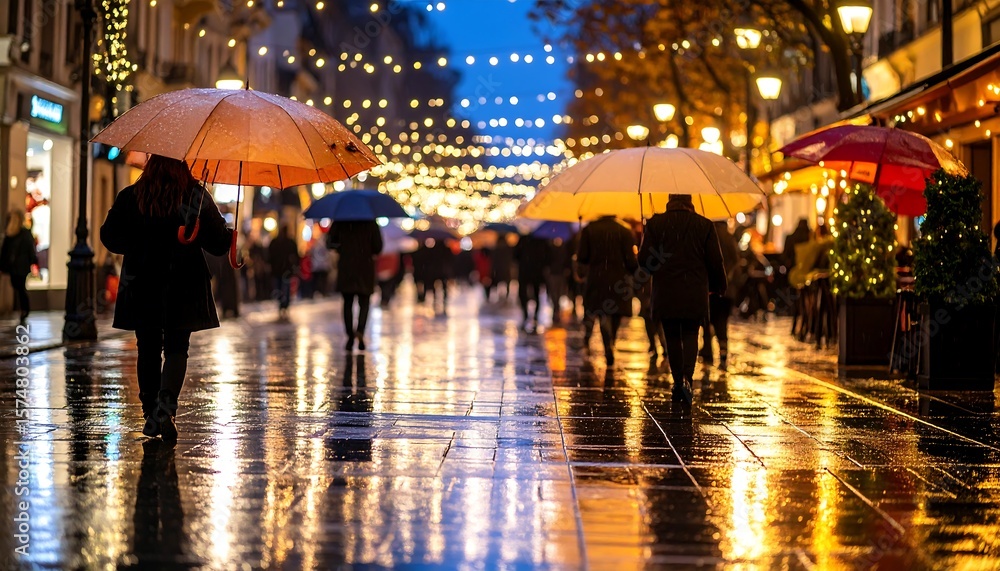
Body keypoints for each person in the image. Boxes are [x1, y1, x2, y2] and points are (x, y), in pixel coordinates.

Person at [100, 154, 232, 440]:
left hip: (142, 281)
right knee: (176, 347)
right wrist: (225, 233)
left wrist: (138, 243)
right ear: (182, 166)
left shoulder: (132, 195)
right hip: (182, 282)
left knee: (147, 346)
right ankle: (165, 409)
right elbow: (218, 244)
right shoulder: (195, 195)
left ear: (151, 164)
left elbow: (109, 236)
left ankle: (150, 410)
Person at [639, 195, 726, 401]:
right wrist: (719, 286)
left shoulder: (656, 223)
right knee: (690, 333)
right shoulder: (704, 225)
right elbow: (715, 260)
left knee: (671, 335)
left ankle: (678, 381)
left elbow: (644, 262)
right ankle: (687, 377)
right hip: (694, 290)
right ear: (690, 202)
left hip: (666, 290)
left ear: (668, 201)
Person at [577, 215, 638, 365]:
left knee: (601, 312)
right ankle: (611, 342)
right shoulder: (624, 231)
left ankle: (607, 344)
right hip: (619, 278)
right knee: (615, 313)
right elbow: (631, 261)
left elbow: (583, 257)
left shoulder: (589, 229)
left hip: (597, 277)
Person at [328, 220, 383, 351]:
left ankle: (349, 335)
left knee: (347, 303)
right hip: (365, 267)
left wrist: (343, 247)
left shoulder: (341, 222)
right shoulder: (370, 223)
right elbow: (378, 247)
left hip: (347, 267)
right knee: (364, 303)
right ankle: (360, 331)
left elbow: (330, 242)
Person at [700, 221, 743, 367]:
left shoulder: (706, 236)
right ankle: (723, 349)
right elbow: (737, 261)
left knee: (707, 319)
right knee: (722, 321)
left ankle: (707, 350)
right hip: (727, 289)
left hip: (709, 288)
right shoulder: (729, 238)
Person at [0, 209, 38, 324]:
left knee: (20, 287)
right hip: (15, 266)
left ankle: (24, 309)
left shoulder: (22, 234)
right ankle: (22, 309)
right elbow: (5, 252)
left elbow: (30, 250)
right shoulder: (11, 234)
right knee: (17, 286)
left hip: (20, 266)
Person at [514, 232, 550, 332]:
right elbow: (548, 258)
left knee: (523, 295)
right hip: (537, 272)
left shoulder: (523, 239)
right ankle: (535, 316)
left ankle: (526, 315)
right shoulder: (542, 240)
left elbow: (515, 256)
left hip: (524, 272)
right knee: (536, 295)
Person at [268, 225, 299, 319]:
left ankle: (283, 304)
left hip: (279, 270)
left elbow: (270, 256)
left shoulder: (276, 242)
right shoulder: (289, 242)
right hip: (285, 270)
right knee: (284, 288)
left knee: (281, 287)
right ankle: (284, 305)